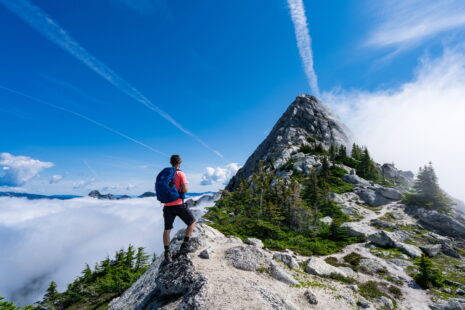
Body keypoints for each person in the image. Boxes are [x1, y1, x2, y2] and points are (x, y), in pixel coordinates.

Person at [160, 154, 196, 263]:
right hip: (179, 204)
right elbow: (185, 190)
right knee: (192, 222)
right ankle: (184, 245)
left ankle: (167, 252)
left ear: (171, 162)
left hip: (167, 206)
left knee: (167, 230)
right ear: (180, 163)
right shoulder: (180, 174)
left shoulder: (165, 174)